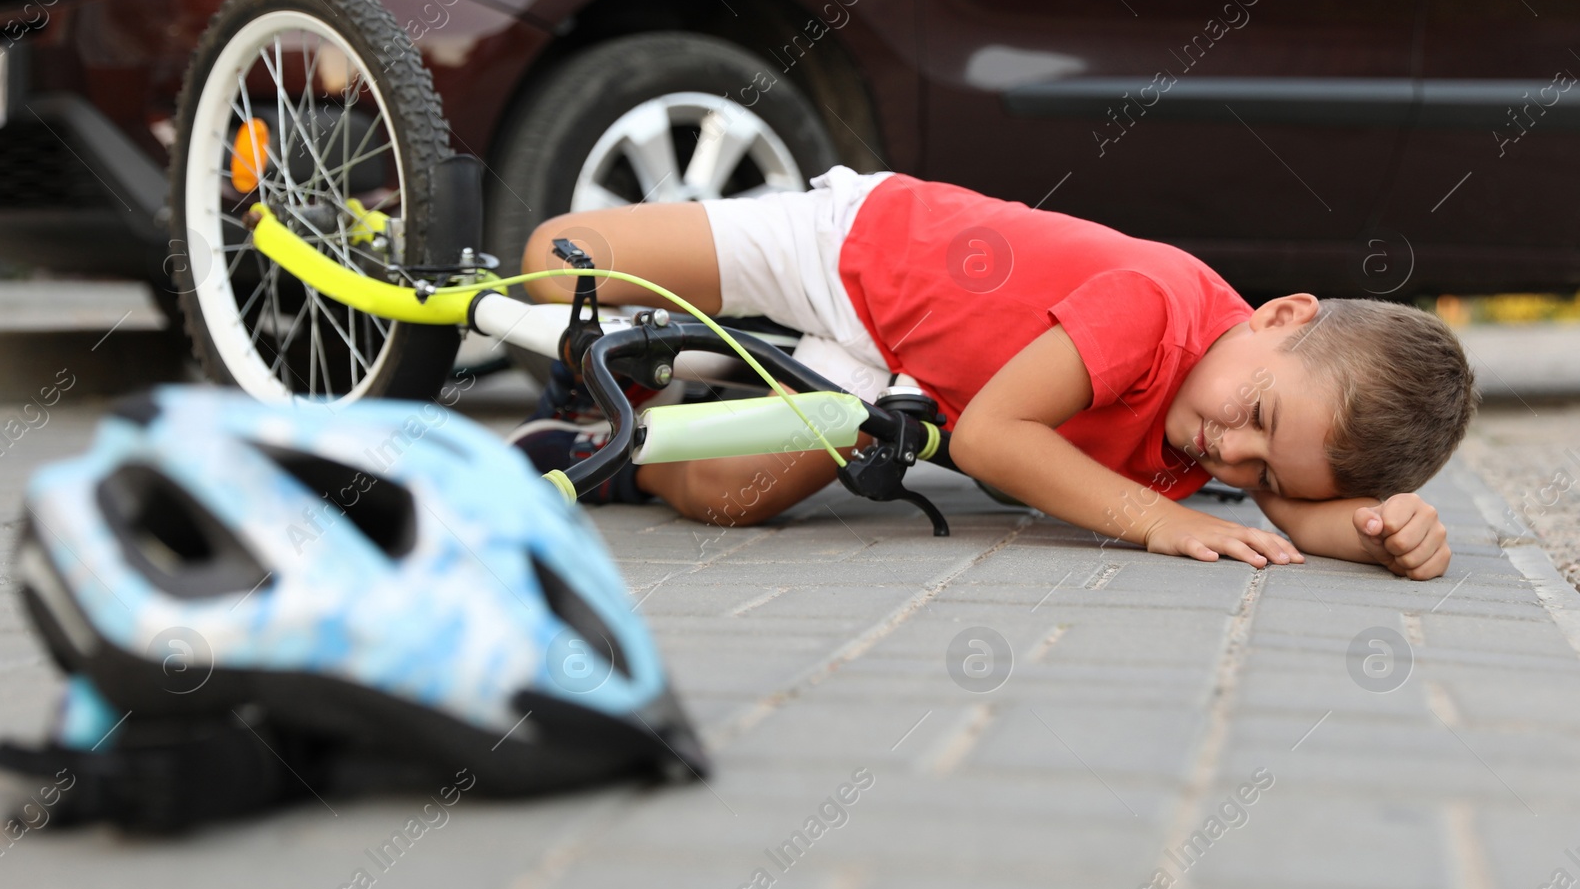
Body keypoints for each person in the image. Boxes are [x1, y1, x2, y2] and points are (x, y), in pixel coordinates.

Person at [510, 167, 1478, 581]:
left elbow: (1293, 520)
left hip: (903, 382)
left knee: (728, 495)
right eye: (1256, 417)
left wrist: (1382, 534)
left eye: (1263, 471)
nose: (1232, 454)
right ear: (1278, 314)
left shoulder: (1243, 411)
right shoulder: (1157, 304)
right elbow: (989, 441)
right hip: (860, 248)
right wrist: (1157, 519)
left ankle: (608, 438)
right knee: (556, 261)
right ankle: (634, 348)